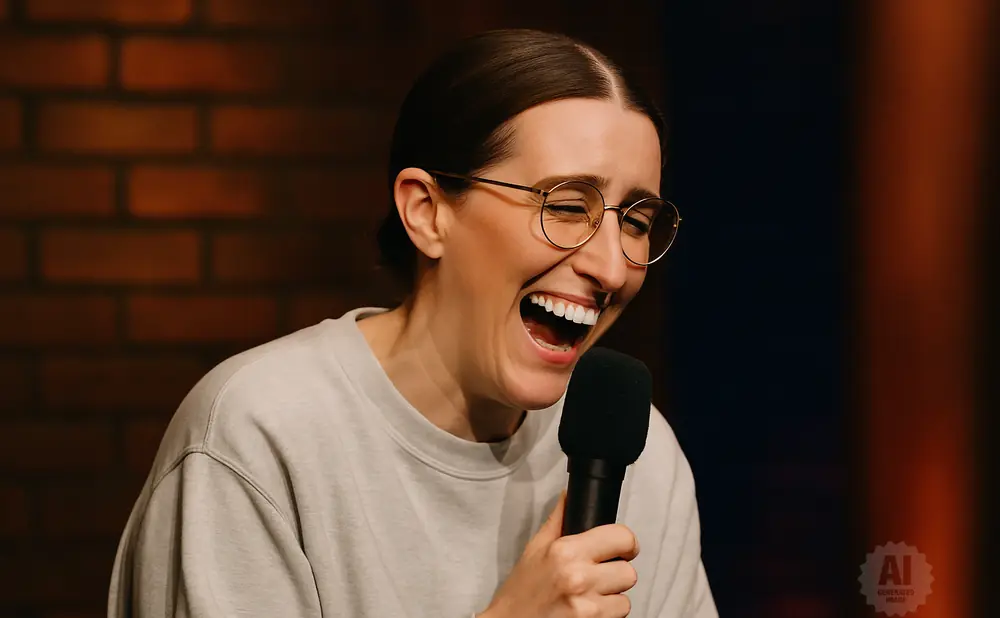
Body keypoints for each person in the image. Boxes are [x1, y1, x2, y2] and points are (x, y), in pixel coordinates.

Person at [107, 28, 717, 618]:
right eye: (564, 207)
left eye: (636, 222)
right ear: (426, 212)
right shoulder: (261, 433)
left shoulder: (640, 454)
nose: (611, 266)